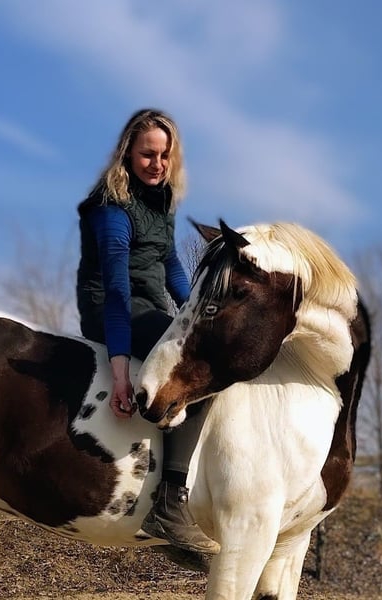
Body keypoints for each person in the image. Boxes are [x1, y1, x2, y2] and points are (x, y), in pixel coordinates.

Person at [76, 108, 219, 555]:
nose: (157, 164)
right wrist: (120, 373)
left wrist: (199, 313)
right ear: (127, 154)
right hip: (111, 309)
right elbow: (118, 291)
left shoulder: (161, 200)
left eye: (164, 155)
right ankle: (170, 505)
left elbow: (170, 264)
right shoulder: (112, 209)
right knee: (197, 371)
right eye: (147, 154)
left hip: (149, 306)